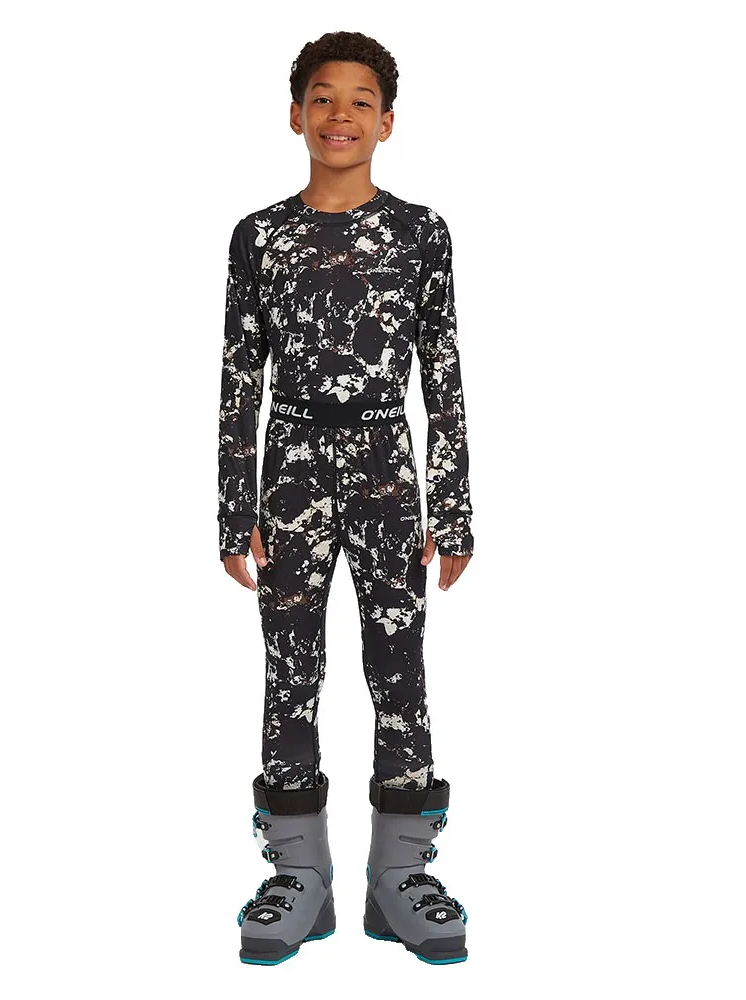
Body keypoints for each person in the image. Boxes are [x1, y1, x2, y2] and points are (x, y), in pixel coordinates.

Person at [218, 31, 474, 966]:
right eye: (322, 98)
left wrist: (453, 507)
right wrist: (232, 507)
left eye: (361, 101)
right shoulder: (259, 236)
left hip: (385, 472)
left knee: (397, 666)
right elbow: (239, 376)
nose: (340, 115)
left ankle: (399, 875)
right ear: (296, 115)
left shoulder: (420, 233)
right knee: (290, 668)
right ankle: (299, 873)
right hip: (289, 468)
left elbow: (441, 373)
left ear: (388, 122)